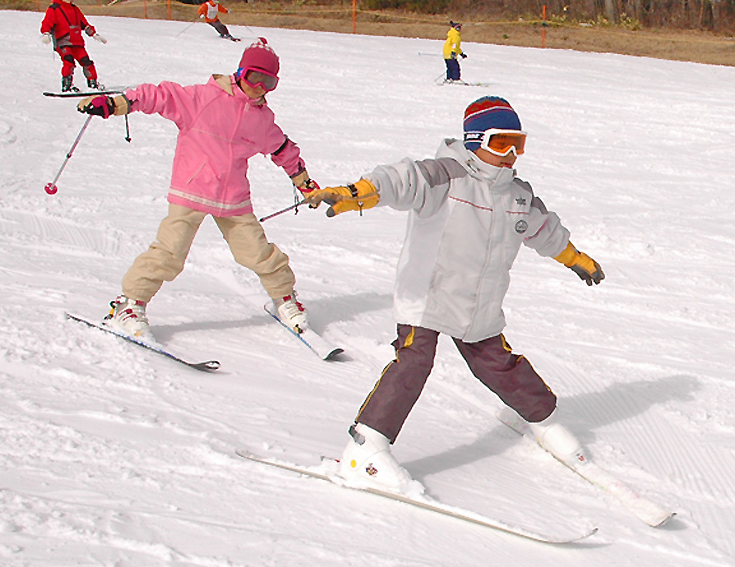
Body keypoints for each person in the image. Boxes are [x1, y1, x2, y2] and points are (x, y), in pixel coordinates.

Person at [305, 96, 605, 493]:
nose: (511, 154)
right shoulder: (443, 176)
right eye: (501, 144)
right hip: (428, 297)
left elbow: (542, 229)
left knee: (499, 365)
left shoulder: (517, 196)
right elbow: (400, 180)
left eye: (519, 143)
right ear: (475, 140)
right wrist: (356, 193)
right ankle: (366, 448)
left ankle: (543, 421)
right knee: (413, 364)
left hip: (478, 304)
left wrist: (574, 257)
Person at [75, 38, 320, 339]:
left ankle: (284, 299)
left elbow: (282, 148)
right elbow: (160, 96)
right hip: (190, 190)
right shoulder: (204, 98)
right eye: (255, 77)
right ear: (241, 72)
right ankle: (129, 305)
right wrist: (116, 103)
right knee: (169, 252)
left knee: (259, 253)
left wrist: (304, 182)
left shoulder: (262, 119)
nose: (260, 87)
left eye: (269, 82)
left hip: (233, 200)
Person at [40, 0, 107, 93]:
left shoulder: (74, 9)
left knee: (87, 62)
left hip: (77, 43)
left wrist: (94, 34)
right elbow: (47, 22)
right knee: (69, 62)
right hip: (63, 42)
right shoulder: (54, 9)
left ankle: (93, 83)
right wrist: (45, 33)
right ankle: (67, 86)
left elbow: (84, 24)